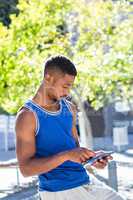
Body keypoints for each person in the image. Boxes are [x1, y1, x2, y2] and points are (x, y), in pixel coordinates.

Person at [15, 55, 125, 200]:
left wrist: (91, 159)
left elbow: (74, 151)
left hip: (86, 181)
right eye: (65, 86)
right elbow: (26, 169)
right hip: (59, 191)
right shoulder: (27, 116)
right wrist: (66, 155)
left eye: (70, 86)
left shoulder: (70, 108)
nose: (67, 92)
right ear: (48, 78)